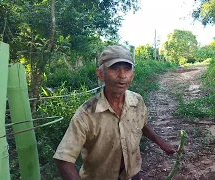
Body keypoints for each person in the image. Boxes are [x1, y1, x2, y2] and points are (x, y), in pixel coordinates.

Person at [53, 45, 176, 180]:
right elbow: (63, 159)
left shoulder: (137, 101)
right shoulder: (86, 114)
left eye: (127, 69)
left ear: (132, 75)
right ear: (101, 74)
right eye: (115, 68)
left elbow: (142, 125)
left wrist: (161, 143)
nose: (122, 75)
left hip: (132, 174)